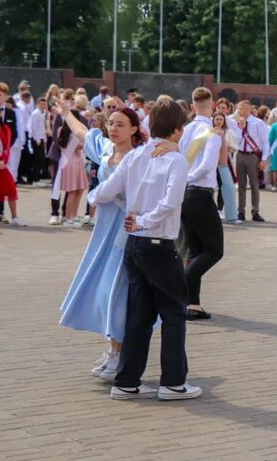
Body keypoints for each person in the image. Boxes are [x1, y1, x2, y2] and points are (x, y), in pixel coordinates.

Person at [88, 99, 201, 401]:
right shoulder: (173, 160)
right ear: (178, 130)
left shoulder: (136, 156)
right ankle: (174, 382)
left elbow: (103, 192)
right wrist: (144, 221)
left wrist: (101, 200)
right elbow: (171, 201)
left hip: (134, 245)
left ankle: (127, 381)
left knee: (140, 314)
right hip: (157, 242)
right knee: (174, 313)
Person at [58, 100, 168, 380]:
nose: (114, 128)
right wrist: (65, 113)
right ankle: (115, 350)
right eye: (111, 124)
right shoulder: (105, 149)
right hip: (103, 232)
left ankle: (120, 354)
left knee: (117, 291)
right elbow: (82, 131)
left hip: (127, 231)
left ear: (134, 129)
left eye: (121, 124)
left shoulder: (142, 156)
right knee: (104, 289)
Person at [179, 88, 224, 320]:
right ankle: (182, 280)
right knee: (214, 250)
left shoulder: (186, 130)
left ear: (192, 105)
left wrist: (181, 182)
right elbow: (207, 166)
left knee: (197, 250)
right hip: (199, 192)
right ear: (213, 104)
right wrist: (189, 179)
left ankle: (192, 304)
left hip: (183, 195)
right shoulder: (211, 132)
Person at [228, 99, 270, 221]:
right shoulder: (237, 123)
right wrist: (240, 127)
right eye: (239, 109)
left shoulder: (258, 123)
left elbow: (265, 142)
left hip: (253, 156)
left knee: (254, 185)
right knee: (241, 186)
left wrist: (263, 159)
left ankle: (255, 211)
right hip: (240, 154)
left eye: (243, 109)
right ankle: (241, 212)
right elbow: (237, 141)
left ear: (249, 109)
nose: (241, 112)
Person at [213, 112, 241, 224]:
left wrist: (226, 147)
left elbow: (234, 148)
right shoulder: (209, 131)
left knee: (225, 186)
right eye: (217, 119)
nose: (219, 121)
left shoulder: (229, 132)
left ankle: (221, 209)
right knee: (209, 186)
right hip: (211, 162)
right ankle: (212, 209)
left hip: (224, 162)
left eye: (221, 119)